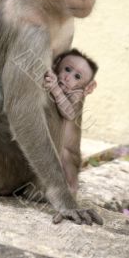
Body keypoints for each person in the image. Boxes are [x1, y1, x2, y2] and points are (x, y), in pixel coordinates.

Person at [44, 48, 98, 196]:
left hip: (69, 150)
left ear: (89, 87)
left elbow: (68, 113)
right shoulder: (61, 83)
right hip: (55, 145)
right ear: (57, 64)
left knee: (67, 162)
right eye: (67, 69)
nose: (68, 78)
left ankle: (71, 192)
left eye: (77, 76)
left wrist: (55, 89)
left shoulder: (77, 94)